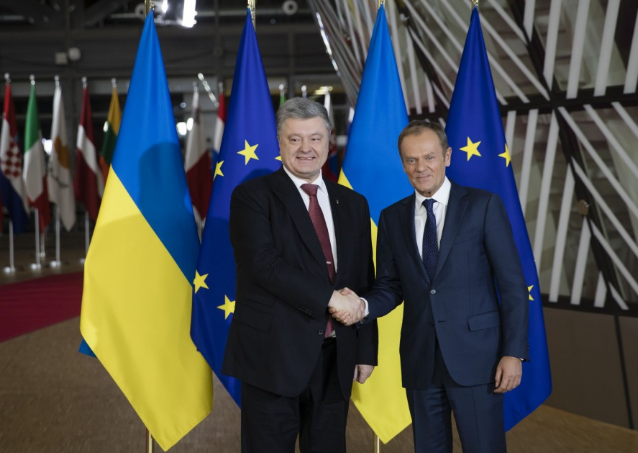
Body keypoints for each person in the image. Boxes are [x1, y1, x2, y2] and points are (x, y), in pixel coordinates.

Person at [333, 120, 528, 453]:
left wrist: (513, 352)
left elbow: (512, 285)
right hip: (420, 359)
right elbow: (391, 286)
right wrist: (362, 306)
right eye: (411, 160)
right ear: (403, 164)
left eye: (429, 157)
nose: (420, 167)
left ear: (447, 156)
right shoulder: (392, 217)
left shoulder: (482, 206)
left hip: (476, 360)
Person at [223, 97, 377, 453]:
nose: (306, 148)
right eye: (295, 139)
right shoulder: (252, 197)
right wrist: (330, 298)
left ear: (329, 141)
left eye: (315, 138)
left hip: (335, 356)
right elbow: (264, 265)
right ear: (280, 143)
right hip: (273, 356)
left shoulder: (353, 203)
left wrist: (366, 349)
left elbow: (362, 279)